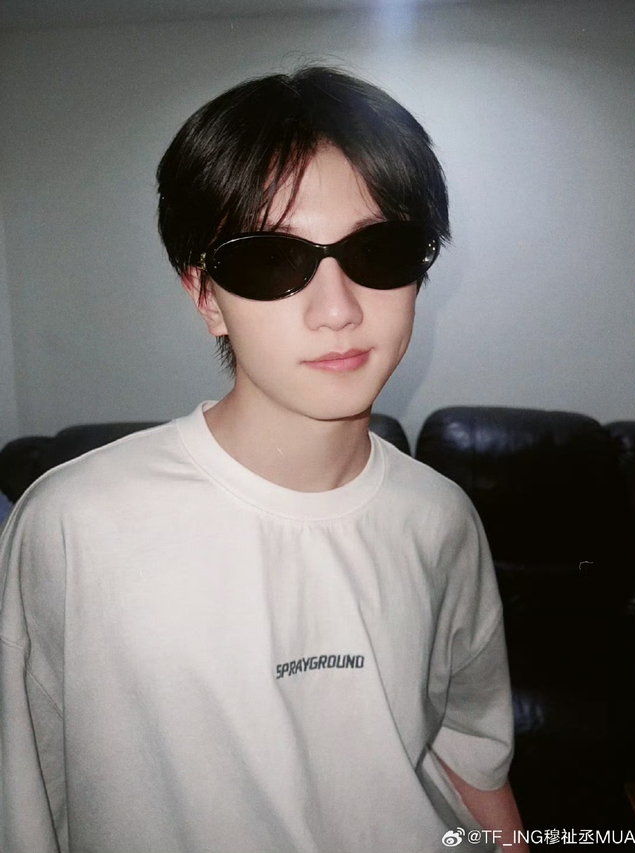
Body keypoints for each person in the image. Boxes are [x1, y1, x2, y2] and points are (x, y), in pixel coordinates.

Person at [0, 66, 527, 853]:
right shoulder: (73, 525)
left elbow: (471, 754)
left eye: (379, 250)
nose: (337, 308)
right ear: (206, 296)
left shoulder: (441, 516)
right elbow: (26, 793)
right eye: (271, 260)